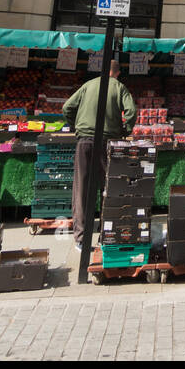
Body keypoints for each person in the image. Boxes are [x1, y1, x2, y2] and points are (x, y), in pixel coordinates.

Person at [63, 58, 136, 251]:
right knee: (108, 188)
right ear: (117, 73)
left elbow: (66, 107)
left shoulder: (88, 85)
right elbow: (131, 111)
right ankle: (107, 234)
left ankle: (80, 238)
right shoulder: (119, 87)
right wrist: (125, 131)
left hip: (85, 142)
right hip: (108, 143)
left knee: (82, 189)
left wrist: (76, 125)